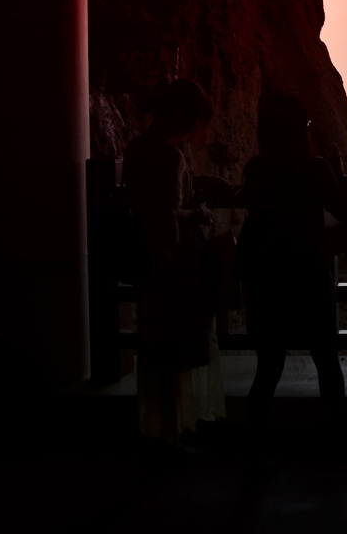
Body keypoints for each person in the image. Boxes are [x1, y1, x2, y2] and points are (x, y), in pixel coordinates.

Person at [238, 93, 347, 444]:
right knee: (326, 360)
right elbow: (345, 211)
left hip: (265, 278)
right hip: (308, 274)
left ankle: (255, 449)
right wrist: (338, 171)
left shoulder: (256, 168)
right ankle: (337, 439)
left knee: (268, 368)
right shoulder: (314, 168)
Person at [123, 79, 228, 449]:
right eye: (198, 119)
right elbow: (166, 218)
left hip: (146, 268)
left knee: (157, 355)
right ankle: (173, 434)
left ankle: (159, 432)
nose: (197, 128)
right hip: (173, 269)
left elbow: (145, 206)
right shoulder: (169, 156)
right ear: (185, 116)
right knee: (177, 356)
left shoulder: (137, 148)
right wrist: (197, 215)